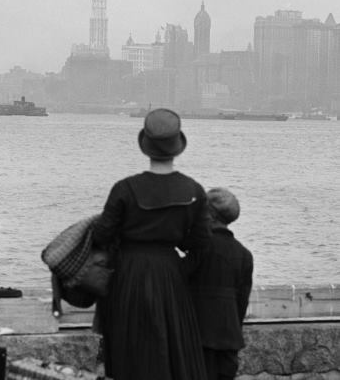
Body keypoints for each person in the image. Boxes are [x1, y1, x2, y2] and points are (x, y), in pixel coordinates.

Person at [92, 108, 210, 380]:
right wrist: (178, 267)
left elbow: (102, 235)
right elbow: (201, 242)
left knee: (128, 348)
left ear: (145, 146)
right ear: (177, 147)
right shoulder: (193, 190)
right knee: (172, 348)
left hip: (128, 273)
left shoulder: (124, 188)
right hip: (170, 274)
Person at [188, 188, 253, 380]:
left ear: (209, 215)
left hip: (199, 336)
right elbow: (242, 301)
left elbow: (179, 279)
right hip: (229, 338)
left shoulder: (201, 247)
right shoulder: (244, 254)